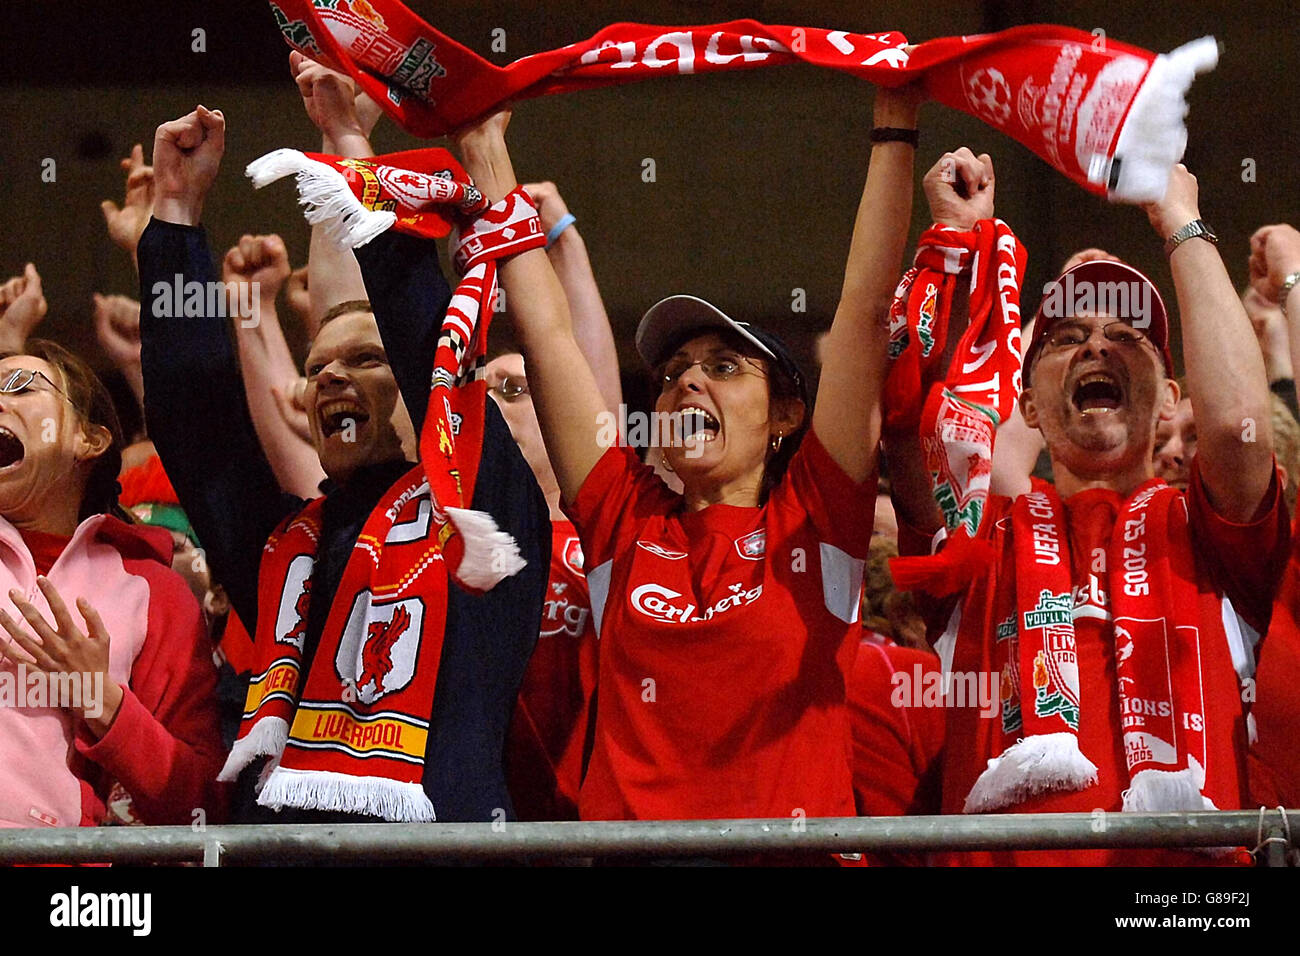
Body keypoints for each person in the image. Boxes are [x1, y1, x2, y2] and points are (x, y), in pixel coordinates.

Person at [448, 80, 921, 830]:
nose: (689, 381)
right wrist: (484, 148)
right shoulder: (622, 517)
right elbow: (547, 337)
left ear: (786, 416)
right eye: (672, 376)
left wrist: (895, 124)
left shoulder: (818, 518)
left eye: (725, 368)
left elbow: (864, 308)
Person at [137, 104, 549, 823]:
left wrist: (359, 164)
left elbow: (428, 338)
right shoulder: (285, 550)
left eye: (365, 359)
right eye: (318, 365)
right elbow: (199, 432)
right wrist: (175, 219)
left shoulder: (486, 518)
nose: (329, 377)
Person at [901, 167, 1287, 865]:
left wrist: (1179, 220)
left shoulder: (1215, 532)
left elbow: (1234, 428)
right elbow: (914, 418)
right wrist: (959, 246)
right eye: (1067, 337)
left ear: (1171, 398)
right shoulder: (979, 538)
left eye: (1127, 333)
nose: (1097, 346)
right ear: (1025, 407)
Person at [0, 335, 225, 828]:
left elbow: (201, 808)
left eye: (20, 388)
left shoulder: (154, 593)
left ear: (90, 440)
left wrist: (100, 700)